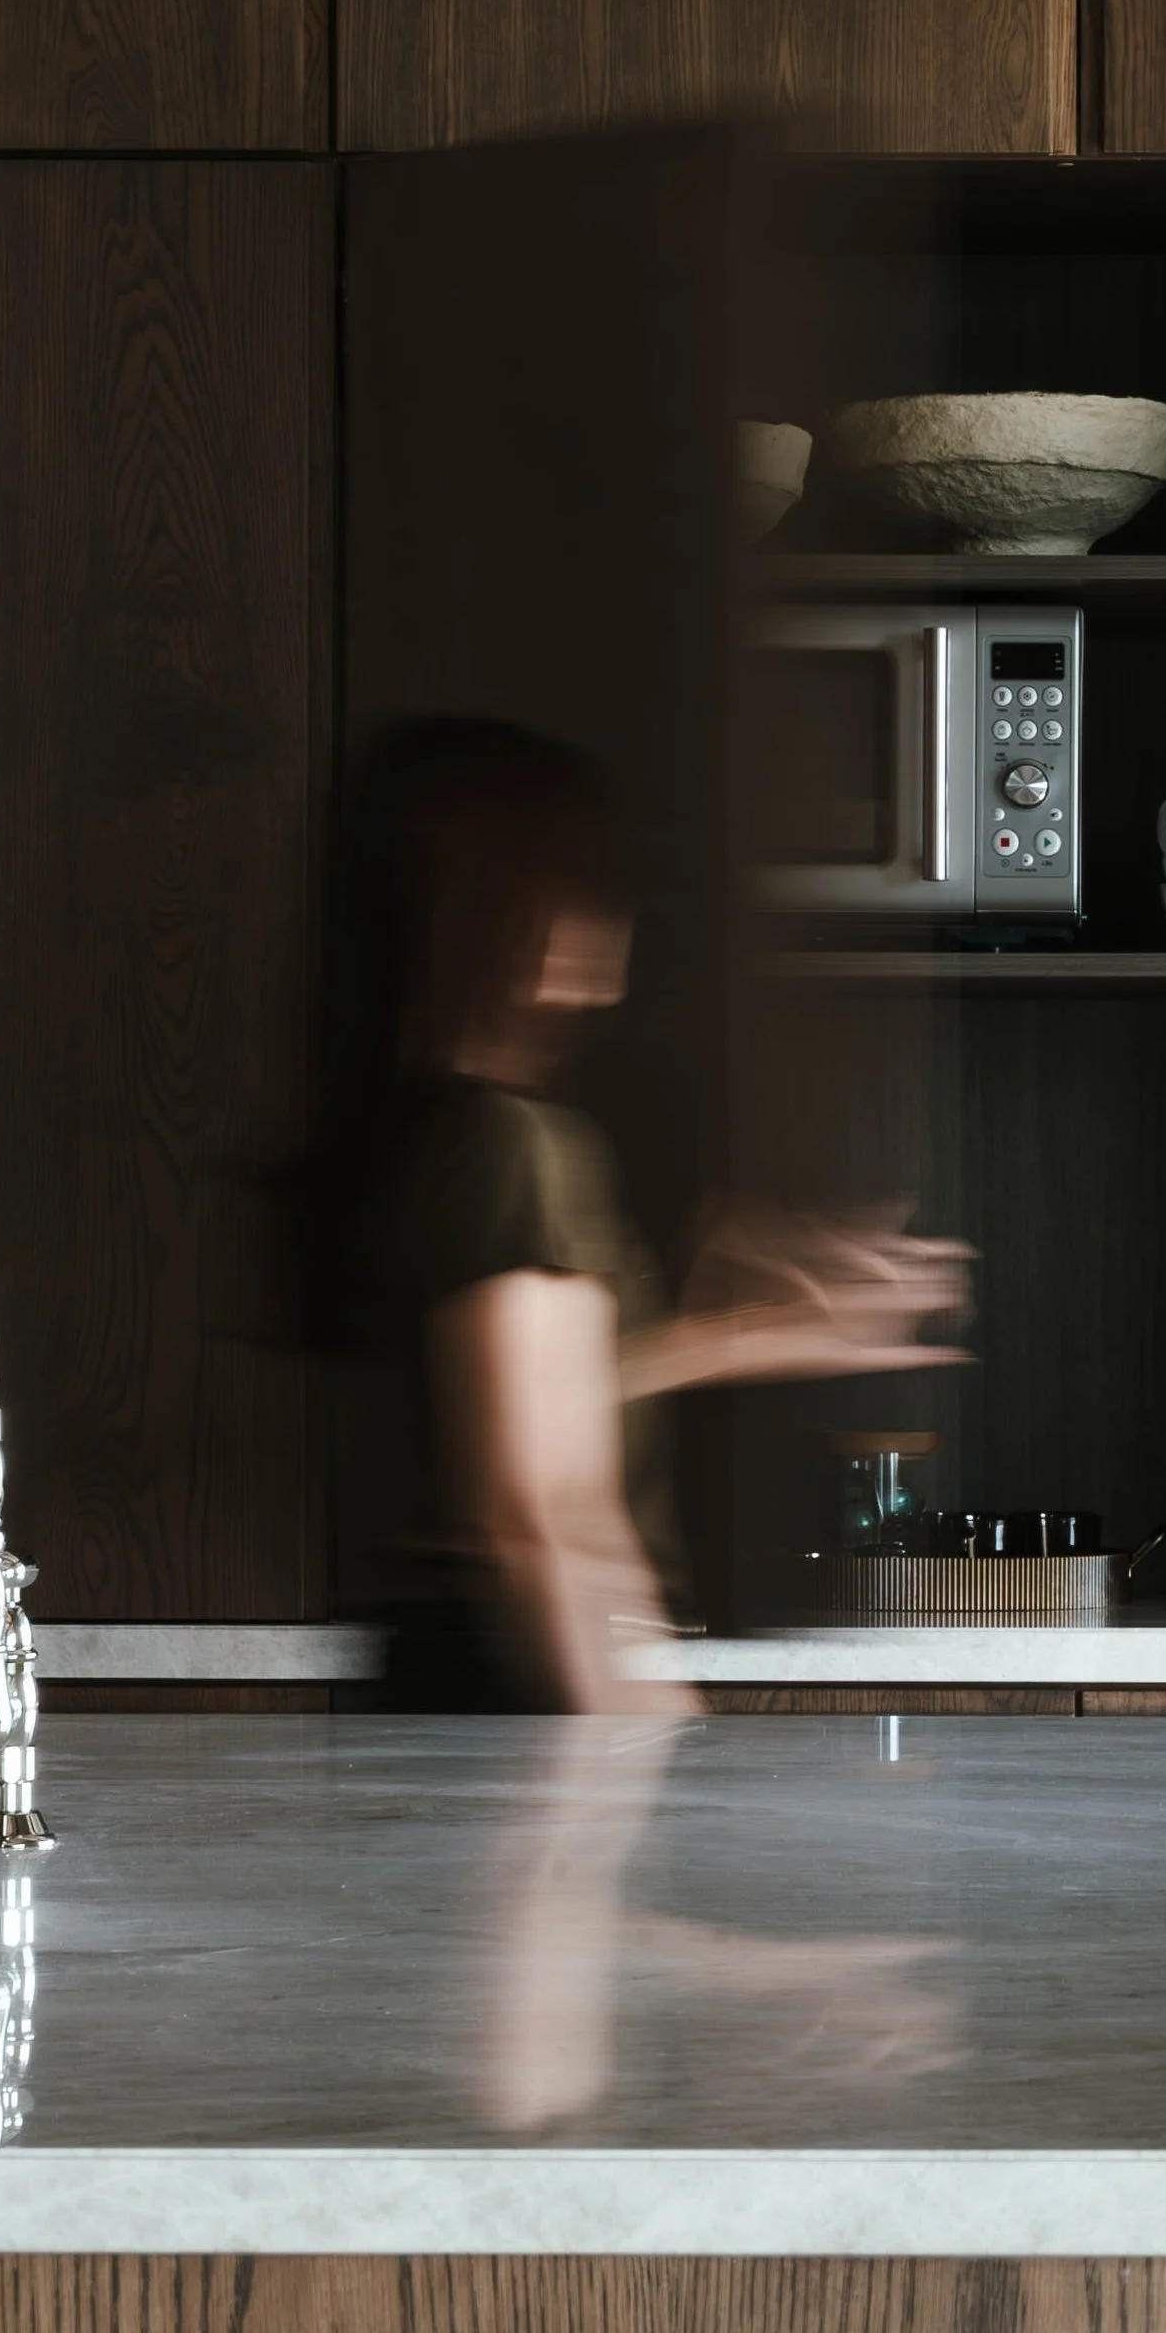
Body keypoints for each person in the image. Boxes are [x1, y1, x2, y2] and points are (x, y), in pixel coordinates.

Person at [312, 719, 966, 1711]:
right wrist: (641, 1751)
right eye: (581, 883)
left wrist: (737, 1335)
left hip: (468, 1686)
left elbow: (533, 1409)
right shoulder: (507, 1147)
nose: (612, 916)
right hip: (522, 1689)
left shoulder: (440, 1139)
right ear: (498, 907)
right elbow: (540, 1517)